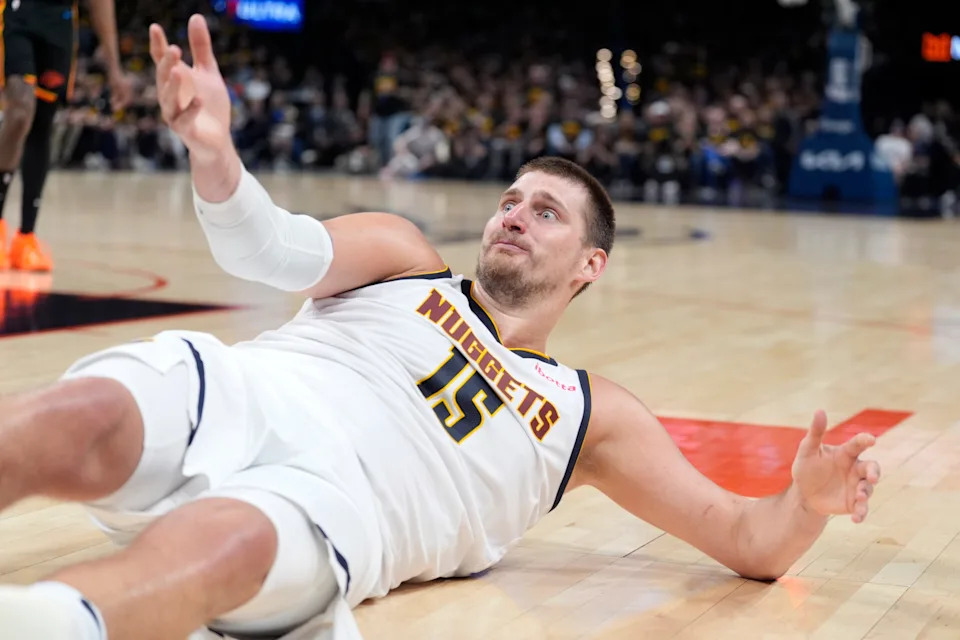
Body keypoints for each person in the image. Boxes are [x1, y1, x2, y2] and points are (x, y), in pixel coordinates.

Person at [0, 15, 882, 640]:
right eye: (510, 201)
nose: (512, 216)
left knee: (235, 538)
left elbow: (746, 540)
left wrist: (803, 504)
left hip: (332, 509)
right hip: (244, 399)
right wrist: (215, 154)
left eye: (544, 213)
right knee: (84, 415)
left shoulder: (588, 415)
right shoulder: (404, 253)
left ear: (590, 266)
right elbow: (266, 249)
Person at [0, 0, 133, 271]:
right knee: (21, 110)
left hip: (58, 24)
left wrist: (114, 69)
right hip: (15, 13)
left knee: (42, 124)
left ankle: (26, 237)